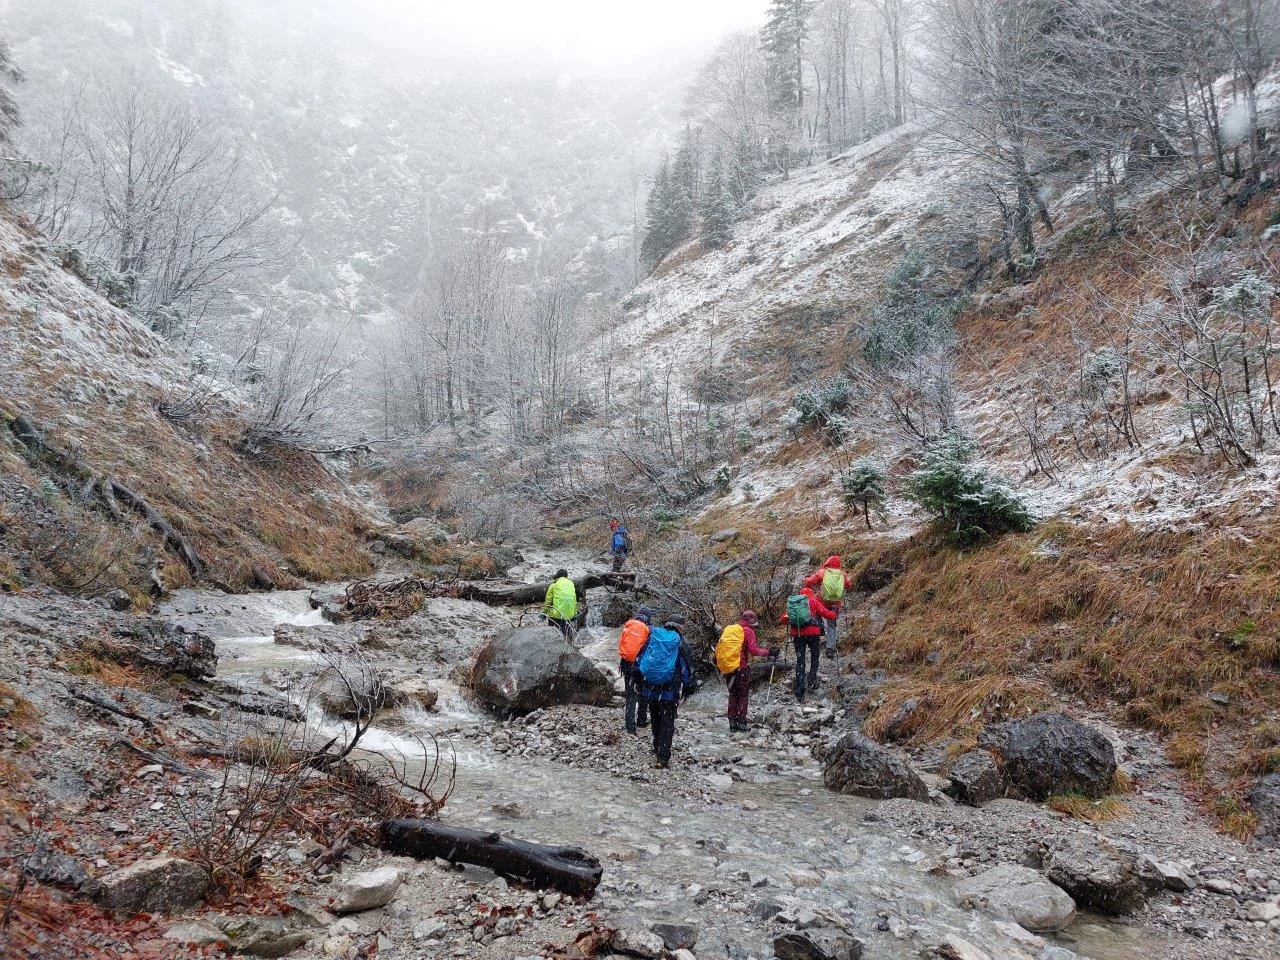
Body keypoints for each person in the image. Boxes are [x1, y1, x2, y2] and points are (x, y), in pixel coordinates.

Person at [636, 617, 695, 769]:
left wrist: (639, 681)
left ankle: (657, 746)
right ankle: (662, 757)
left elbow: (641, 659)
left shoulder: (653, 637)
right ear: (680, 627)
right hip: (669, 689)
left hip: (651, 687)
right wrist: (688, 687)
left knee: (655, 718)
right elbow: (685, 668)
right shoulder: (679, 642)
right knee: (667, 722)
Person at [716, 610, 777, 732]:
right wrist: (769, 652)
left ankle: (732, 722)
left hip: (729, 668)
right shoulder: (749, 631)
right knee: (743, 695)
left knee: (733, 694)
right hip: (742, 668)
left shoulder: (732, 630)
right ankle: (741, 722)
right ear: (751, 620)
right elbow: (753, 650)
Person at [780, 587, 836, 703]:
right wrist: (834, 612)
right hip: (813, 634)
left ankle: (800, 690)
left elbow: (783, 619)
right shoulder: (813, 601)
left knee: (800, 661)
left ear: (800, 595)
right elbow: (828, 615)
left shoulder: (795, 603)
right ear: (811, 594)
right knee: (814, 657)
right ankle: (812, 680)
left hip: (798, 634)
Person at [804, 555, 853, 656]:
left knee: (816, 614)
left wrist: (807, 579)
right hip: (835, 603)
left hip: (821, 601)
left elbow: (810, 581)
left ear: (828, 562)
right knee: (831, 624)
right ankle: (830, 648)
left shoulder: (822, 572)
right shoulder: (842, 574)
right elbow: (849, 584)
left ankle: (820, 628)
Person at [618, 605, 652, 734]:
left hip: (626, 664)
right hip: (640, 666)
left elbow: (622, 643)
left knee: (630, 696)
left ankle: (630, 726)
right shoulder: (648, 629)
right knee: (643, 693)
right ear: (648, 618)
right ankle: (641, 720)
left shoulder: (629, 624)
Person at [542, 569, 578, 639]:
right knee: (567, 633)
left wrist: (544, 613)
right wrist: (574, 613)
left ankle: (552, 639)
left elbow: (548, 601)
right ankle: (569, 643)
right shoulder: (571, 583)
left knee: (553, 634)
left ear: (557, 576)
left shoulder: (554, 585)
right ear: (566, 576)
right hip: (569, 615)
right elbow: (574, 599)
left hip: (557, 614)